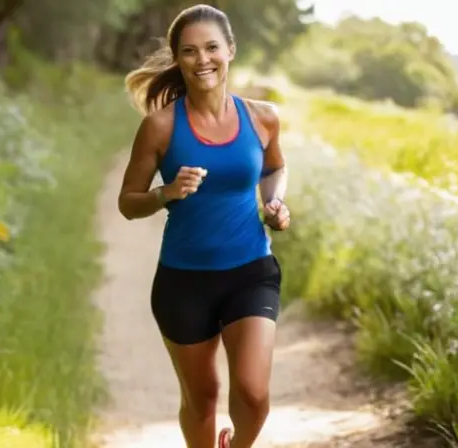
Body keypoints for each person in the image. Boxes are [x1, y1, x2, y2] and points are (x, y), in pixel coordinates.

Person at [117, 4, 290, 448]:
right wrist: (165, 193)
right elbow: (127, 203)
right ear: (177, 59)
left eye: (212, 47)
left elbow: (274, 169)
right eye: (189, 51)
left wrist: (273, 202)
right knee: (203, 399)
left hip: (251, 270)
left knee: (253, 397)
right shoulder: (159, 127)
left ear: (230, 50)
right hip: (183, 282)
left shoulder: (262, 117)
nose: (203, 59)